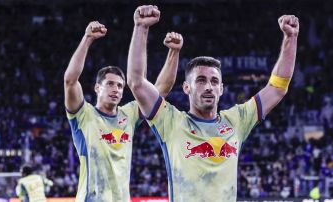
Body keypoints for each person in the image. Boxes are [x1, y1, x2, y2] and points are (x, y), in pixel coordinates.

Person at [127, 5, 299, 202]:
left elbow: (277, 87)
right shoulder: (170, 121)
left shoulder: (236, 121)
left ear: (221, 89)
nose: (208, 87)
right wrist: (141, 28)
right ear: (186, 88)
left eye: (214, 81)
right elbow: (137, 82)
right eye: (200, 80)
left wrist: (291, 39)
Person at [64, 21, 183, 201]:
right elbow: (70, 81)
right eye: (110, 84)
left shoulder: (128, 114)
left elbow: (161, 90)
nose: (116, 89)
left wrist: (174, 52)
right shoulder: (84, 114)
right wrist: (87, 39)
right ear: (97, 88)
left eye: (120, 86)